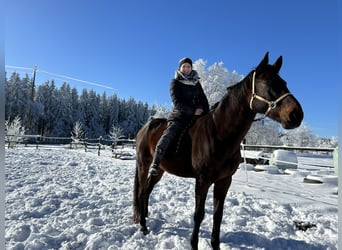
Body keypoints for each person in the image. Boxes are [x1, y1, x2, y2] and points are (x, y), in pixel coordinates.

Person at [149, 57, 209, 176]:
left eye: (188, 66)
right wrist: (193, 111)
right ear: (180, 68)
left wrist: (205, 111)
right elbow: (177, 102)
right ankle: (155, 162)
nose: (186, 68)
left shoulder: (197, 83)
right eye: (184, 66)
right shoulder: (175, 82)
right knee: (169, 133)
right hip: (180, 116)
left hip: (198, 116)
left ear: (191, 68)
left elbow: (204, 99)